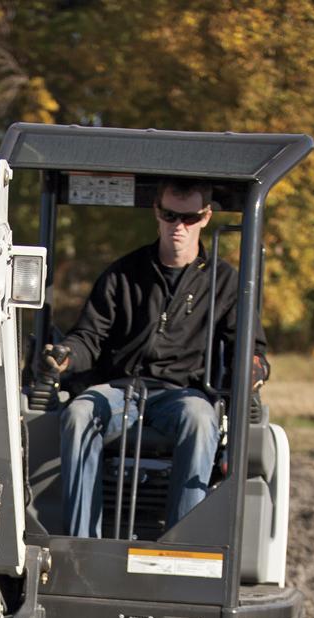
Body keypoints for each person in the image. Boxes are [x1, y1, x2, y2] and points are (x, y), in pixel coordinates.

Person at [43, 179, 269, 538]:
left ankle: (183, 547)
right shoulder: (123, 275)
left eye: (190, 217)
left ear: (207, 217)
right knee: (78, 413)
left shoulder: (225, 283)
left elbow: (249, 348)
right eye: (170, 215)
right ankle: (82, 546)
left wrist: (254, 368)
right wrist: (66, 356)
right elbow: (89, 337)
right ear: (157, 212)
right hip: (120, 390)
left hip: (184, 393)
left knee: (199, 419)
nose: (178, 226)